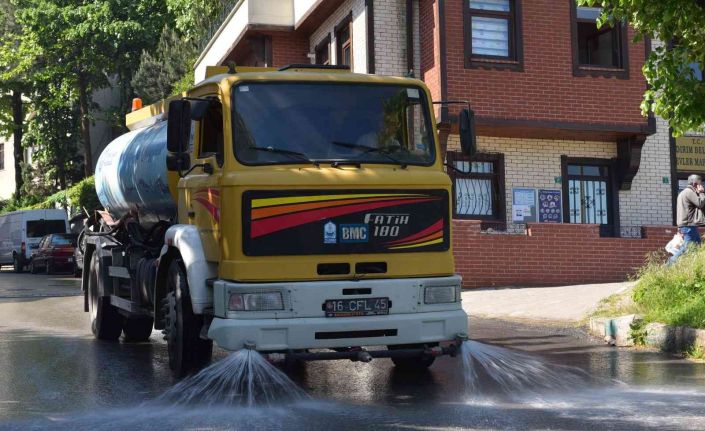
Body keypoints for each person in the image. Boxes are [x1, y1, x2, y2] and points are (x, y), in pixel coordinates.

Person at [670, 174, 705, 264]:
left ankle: (691, 266)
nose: (701, 186)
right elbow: (700, 203)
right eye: (700, 184)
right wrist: (701, 192)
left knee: (696, 246)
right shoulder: (689, 192)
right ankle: (669, 264)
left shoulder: (683, 192)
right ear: (695, 184)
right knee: (689, 247)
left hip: (687, 225)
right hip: (689, 225)